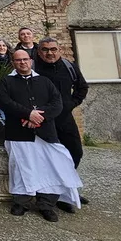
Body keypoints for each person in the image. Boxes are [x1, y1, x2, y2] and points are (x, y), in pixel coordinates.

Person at [0, 49, 81, 221]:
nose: (22, 63)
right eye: (18, 60)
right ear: (13, 63)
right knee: (21, 167)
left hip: (45, 133)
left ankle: (46, 203)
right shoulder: (6, 82)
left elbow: (57, 104)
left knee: (50, 167)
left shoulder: (45, 81)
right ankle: (22, 202)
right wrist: (27, 114)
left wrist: (38, 117)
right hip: (18, 132)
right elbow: (4, 102)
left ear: (31, 61)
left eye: (25, 59)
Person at [34, 37, 90, 210]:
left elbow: (82, 87)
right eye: (45, 49)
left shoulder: (69, 67)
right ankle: (50, 194)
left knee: (75, 152)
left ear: (60, 50)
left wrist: (71, 104)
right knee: (47, 157)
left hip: (65, 118)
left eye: (53, 49)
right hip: (43, 120)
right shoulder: (34, 68)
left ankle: (66, 188)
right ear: (39, 52)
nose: (49, 53)